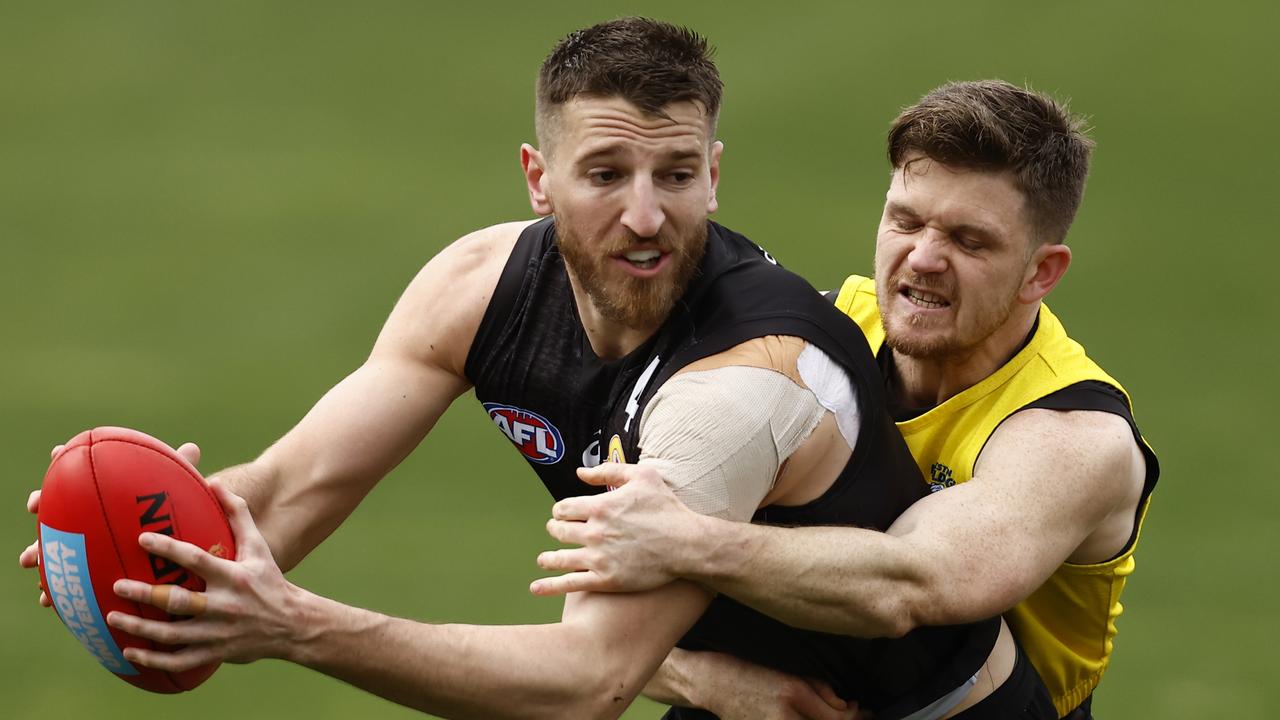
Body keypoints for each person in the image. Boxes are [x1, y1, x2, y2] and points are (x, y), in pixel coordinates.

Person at [17, 21, 1053, 720]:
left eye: (676, 176)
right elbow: (290, 490)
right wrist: (151, 550)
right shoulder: (478, 283)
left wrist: (293, 626)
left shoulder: (740, 389)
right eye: (604, 174)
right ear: (537, 178)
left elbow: (586, 684)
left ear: (715, 174)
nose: (644, 216)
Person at [530, 80, 1160, 719]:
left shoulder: (1073, 434)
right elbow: (614, 591)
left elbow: (914, 585)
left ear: (1041, 272)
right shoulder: (816, 337)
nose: (924, 257)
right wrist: (709, 684)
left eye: (970, 241)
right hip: (786, 692)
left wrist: (689, 541)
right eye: (906, 221)